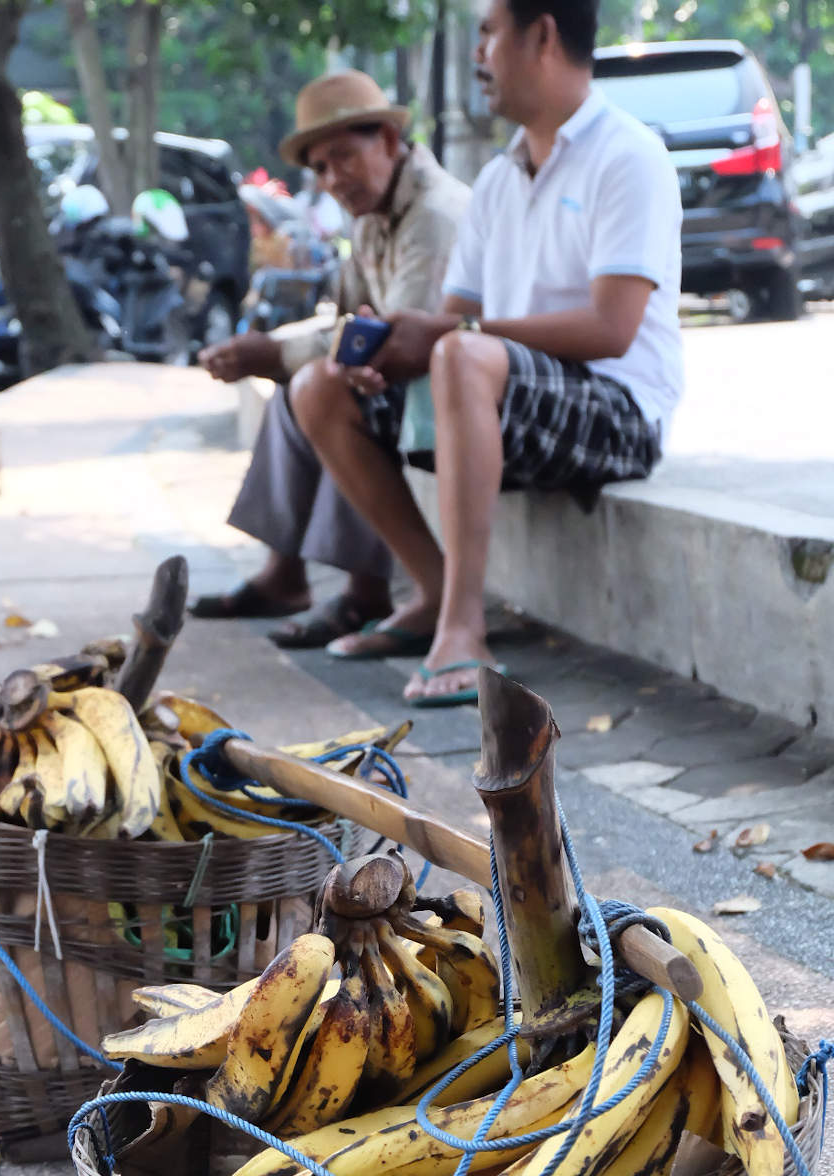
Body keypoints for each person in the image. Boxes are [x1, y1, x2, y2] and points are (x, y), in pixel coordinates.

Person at [291, 0, 683, 703]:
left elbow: (612, 328)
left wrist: (451, 340)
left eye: (487, 34)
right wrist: (386, 352)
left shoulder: (628, 154)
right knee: (319, 387)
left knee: (462, 356)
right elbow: (453, 321)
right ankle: (436, 595)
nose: (479, 55)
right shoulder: (499, 180)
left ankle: (465, 631)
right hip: (505, 398)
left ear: (543, 35)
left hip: (615, 410)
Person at [190, 71, 471, 650]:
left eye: (343, 157)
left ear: (389, 142)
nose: (332, 180)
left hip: (451, 382)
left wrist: (278, 351)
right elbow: (349, 321)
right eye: (319, 168)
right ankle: (285, 574)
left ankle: (428, 590)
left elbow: (388, 338)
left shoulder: (436, 214)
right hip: (407, 373)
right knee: (302, 383)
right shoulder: (372, 215)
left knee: (320, 385)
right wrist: (276, 353)